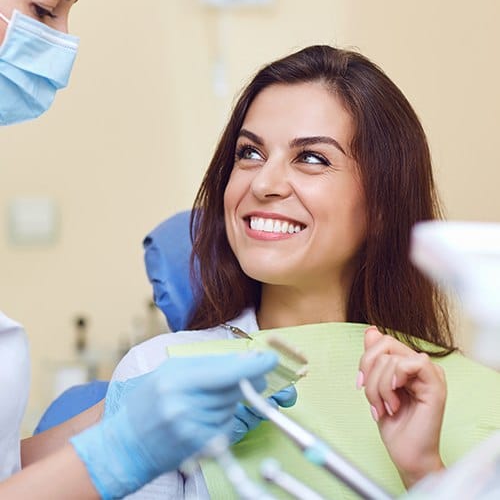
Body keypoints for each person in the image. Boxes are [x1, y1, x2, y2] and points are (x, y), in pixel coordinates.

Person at [111, 44, 500, 498]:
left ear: (380, 205)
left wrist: (425, 472)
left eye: (312, 158)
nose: (263, 183)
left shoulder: (481, 398)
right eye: (249, 153)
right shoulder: (160, 374)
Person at [0, 0, 294, 498]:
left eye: (314, 159)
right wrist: (125, 448)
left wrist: (115, 418)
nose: (267, 184)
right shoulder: (159, 359)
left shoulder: (442, 386)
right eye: (43, 10)